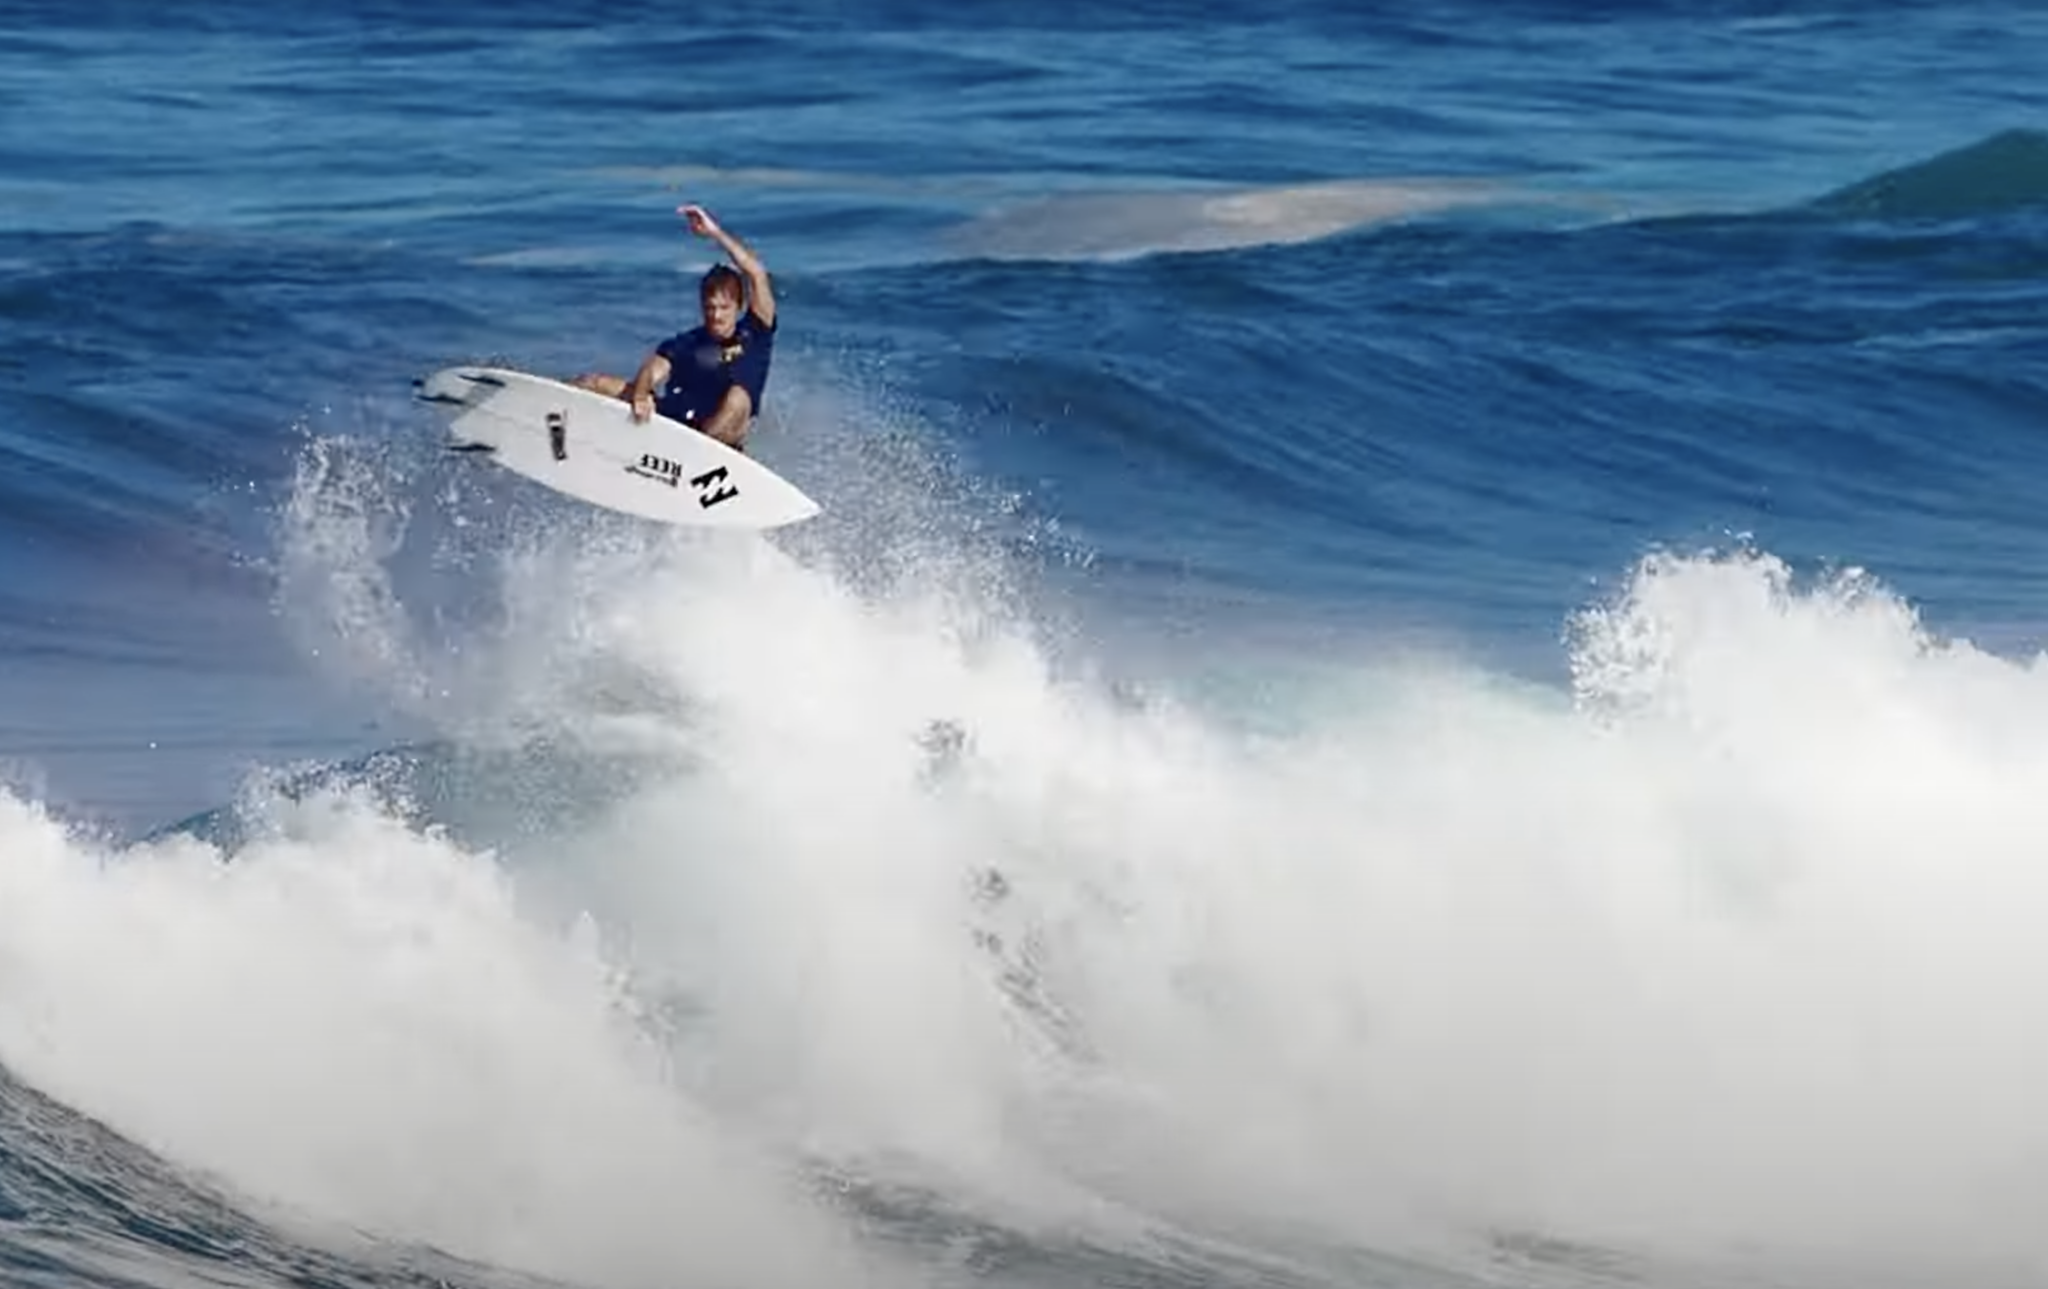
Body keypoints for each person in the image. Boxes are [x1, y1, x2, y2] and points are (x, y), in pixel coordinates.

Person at [572, 204, 777, 452]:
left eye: (724, 308)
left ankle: (694, 453)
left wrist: (714, 233)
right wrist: (641, 394)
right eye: (710, 307)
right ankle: (551, 426)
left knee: (738, 399)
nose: (716, 315)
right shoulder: (687, 343)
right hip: (674, 425)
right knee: (592, 382)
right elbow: (652, 370)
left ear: (739, 306)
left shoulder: (755, 333)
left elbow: (756, 273)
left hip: (717, 442)